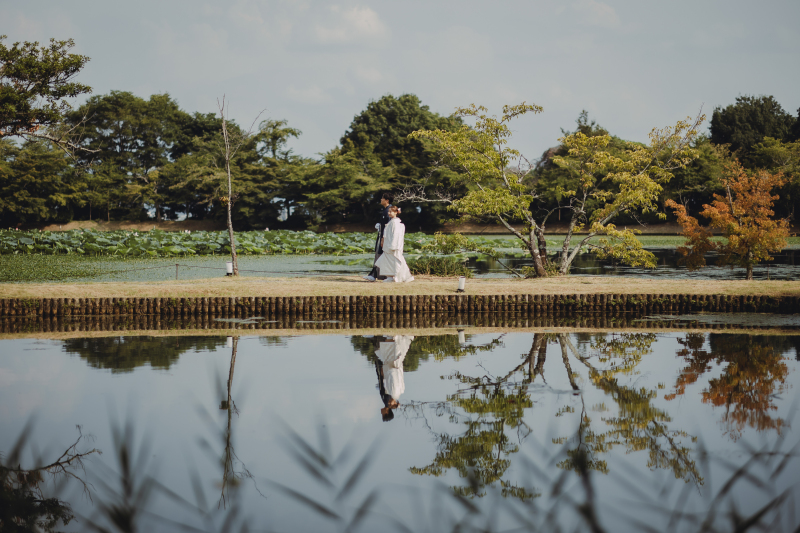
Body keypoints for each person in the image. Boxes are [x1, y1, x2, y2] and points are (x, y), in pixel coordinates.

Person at [374, 335, 414, 422]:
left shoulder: (394, 396)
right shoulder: (389, 398)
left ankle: (390, 336)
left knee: (390, 351)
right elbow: (388, 382)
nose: (381, 413)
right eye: (383, 414)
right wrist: (384, 372)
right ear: (387, 412)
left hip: (389, 370)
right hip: (389, 370)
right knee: (389, 351)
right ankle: (388, 335)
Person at [373, 206, 414, 283]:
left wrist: (393, 245)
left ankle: (403, 276)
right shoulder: (391, 222)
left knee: (397, 260)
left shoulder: (396, 223)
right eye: (388, 211)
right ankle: (390, 276)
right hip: (387, 244)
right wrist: (383, 241)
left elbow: (396, 235)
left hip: (392, 245)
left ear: (395, 212)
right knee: (387, 261)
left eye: (390, 211)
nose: (389, 213)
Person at [363, 193, 397, 282]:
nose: (381, 200)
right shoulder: (386, 210)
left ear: (387, 200)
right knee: (380, 255)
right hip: (382, 236)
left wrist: (384, 238)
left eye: (382, 198)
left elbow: (388, 225)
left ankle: (377, 275)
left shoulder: (388, 210)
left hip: (385, 237)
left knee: (381, 256)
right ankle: (375, 274)